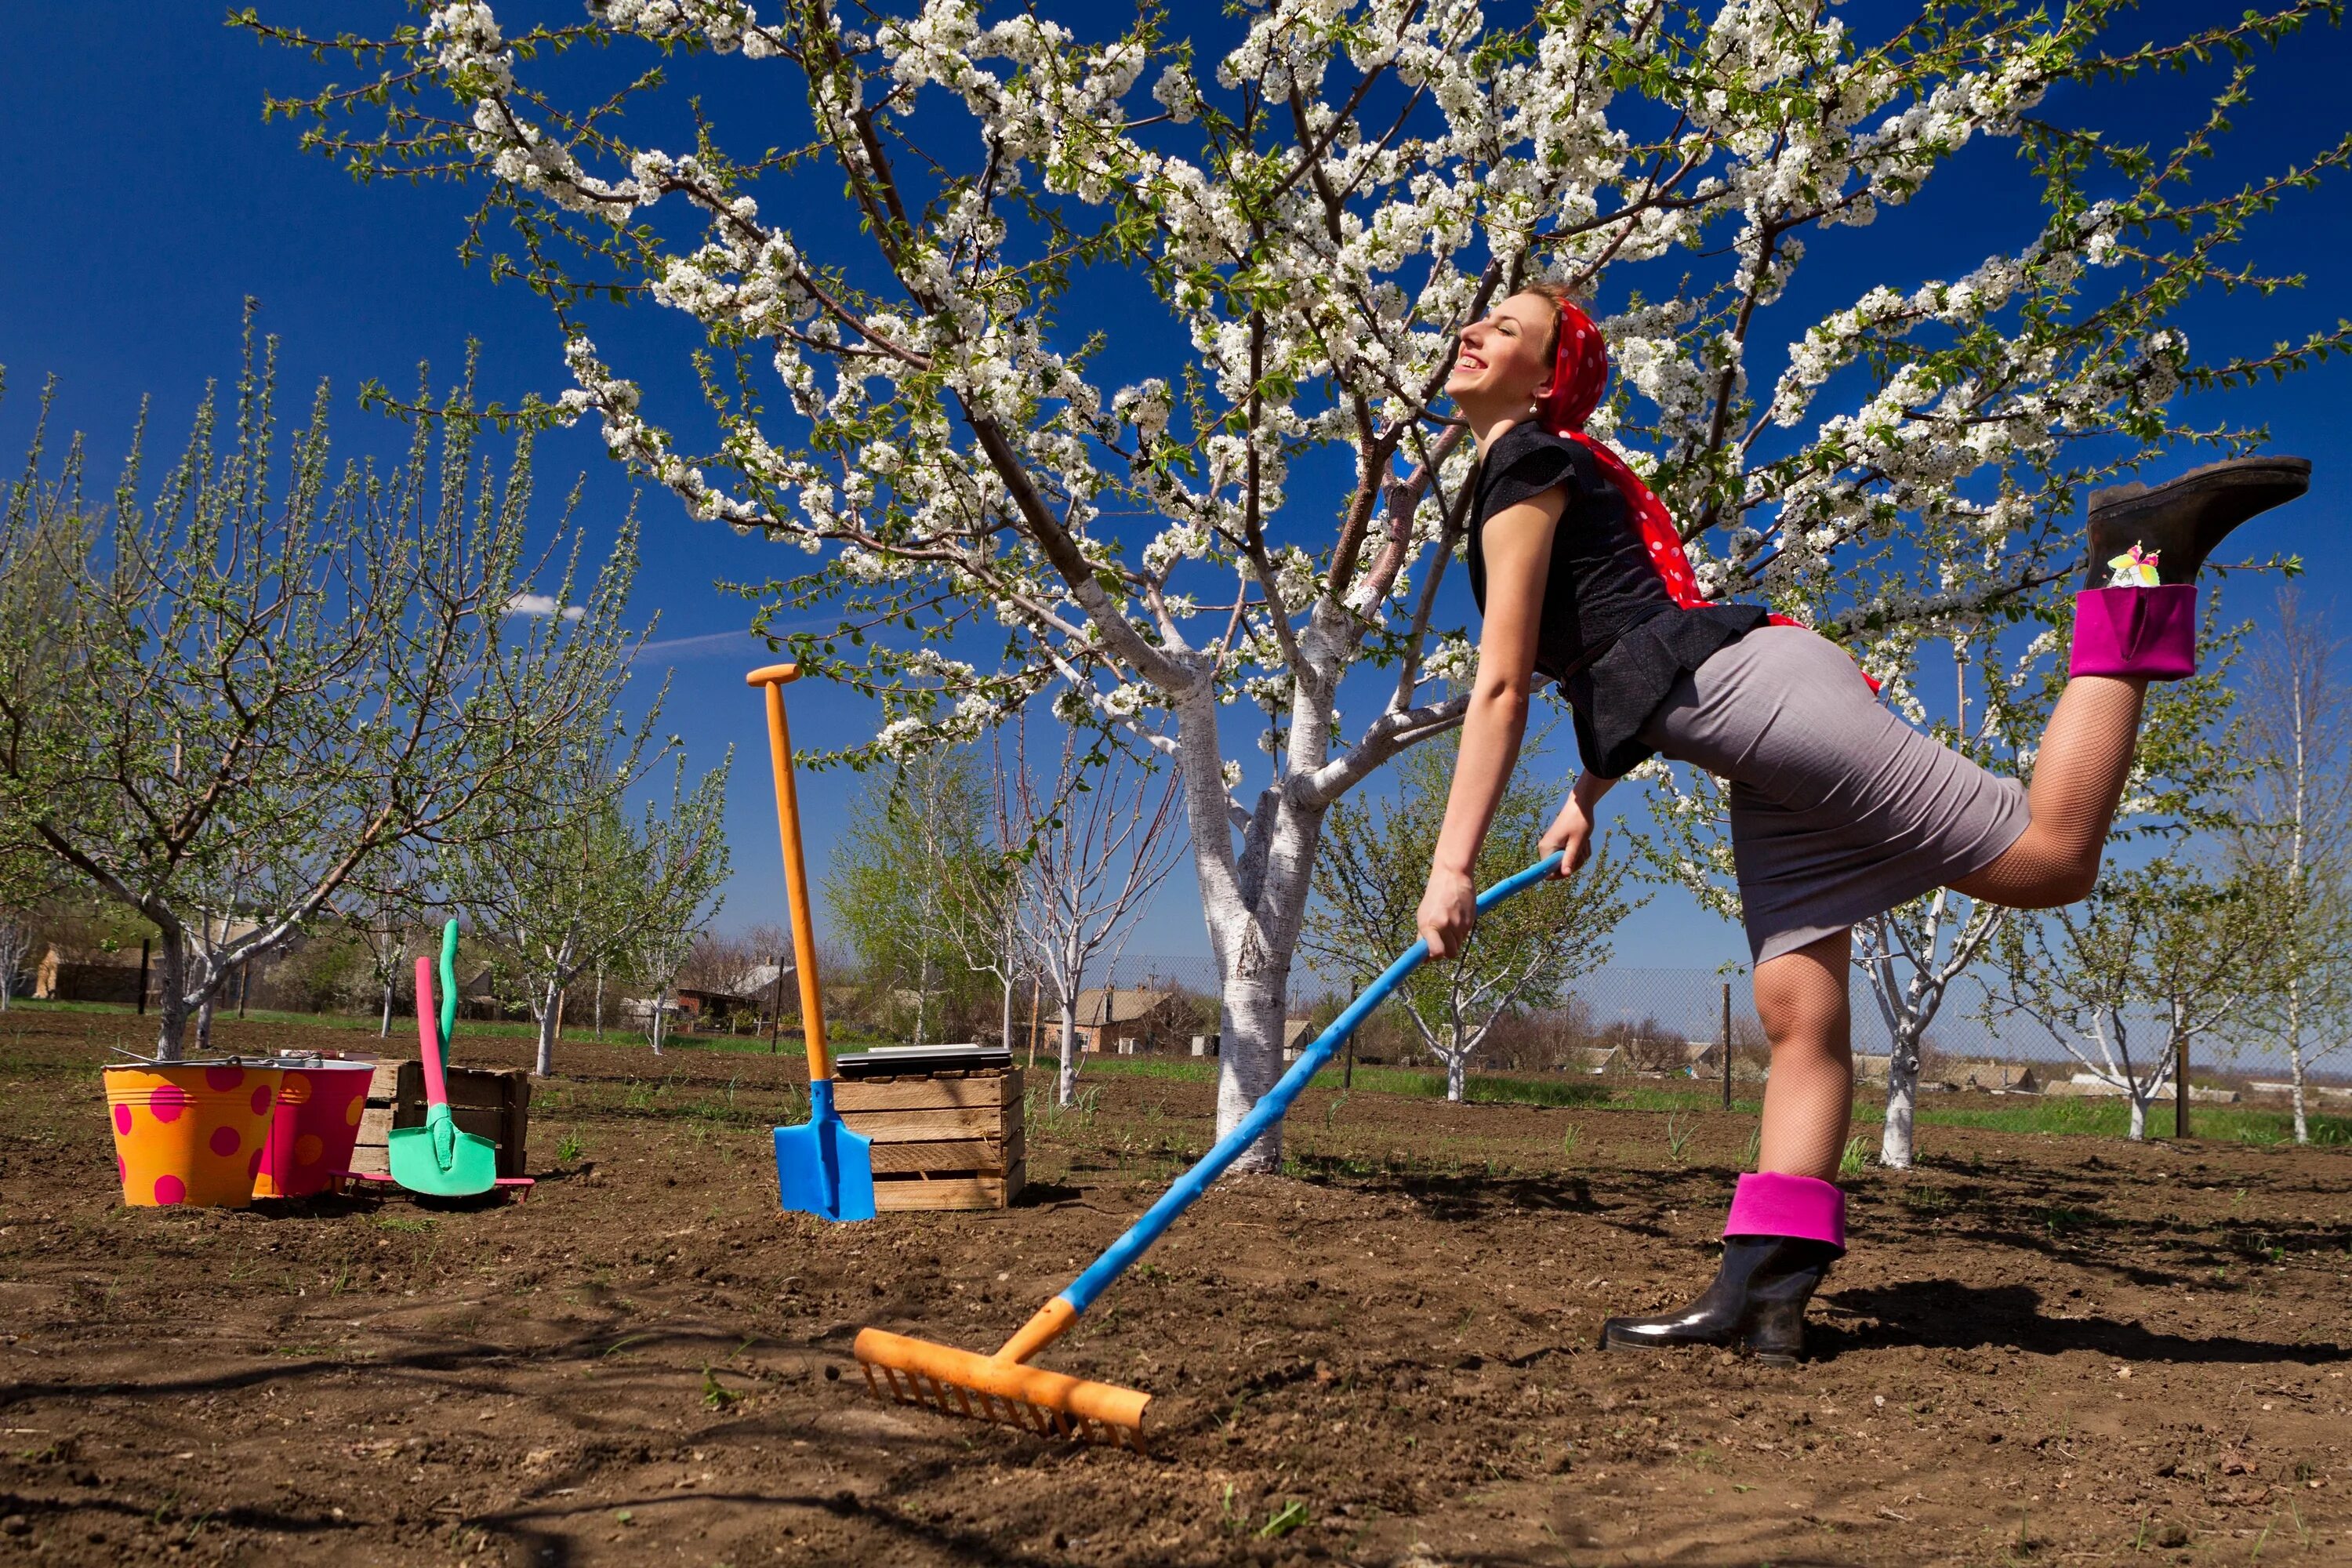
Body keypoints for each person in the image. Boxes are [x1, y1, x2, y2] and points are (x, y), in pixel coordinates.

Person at [1417, 281, 2310, 1363]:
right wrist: (1585, 794)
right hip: (1742, 714)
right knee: (1800, 1008)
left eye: (1507, 327)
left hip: (1761, 702)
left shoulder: (1526, 460)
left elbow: (1506, 683)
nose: (1473, 331)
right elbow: (1623, 634)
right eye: (1481, 319)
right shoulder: (1532, 469)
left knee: (2050, 854)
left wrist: (1452, 863)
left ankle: (2140, 561)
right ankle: (1764, 1295)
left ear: (1549, 376)